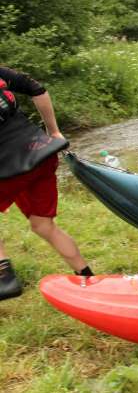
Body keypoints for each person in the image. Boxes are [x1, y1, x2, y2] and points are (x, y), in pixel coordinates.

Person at [1, 66, 93, 302]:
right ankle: (87, 279)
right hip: (41, 155)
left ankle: (4, 278)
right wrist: (54, 132)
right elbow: (37, 89)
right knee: (43, 225)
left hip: (9, 169)